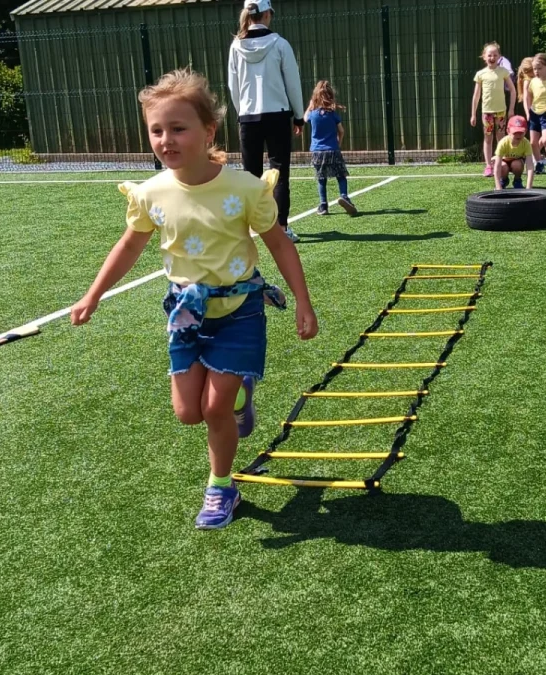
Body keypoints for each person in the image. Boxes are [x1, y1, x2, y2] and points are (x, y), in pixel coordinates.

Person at [70, 69, 318, 530]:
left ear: (209, 131)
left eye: (178, 128)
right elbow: (129, 245)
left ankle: (221, 487)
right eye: (156, 130)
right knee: (188, 413)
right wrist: (93, 295)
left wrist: (304, 303)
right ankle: (241, 400)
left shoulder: (244, 188)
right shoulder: (150, 194)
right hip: (186, 313)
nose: (166, 139)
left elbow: (279, 243)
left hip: (239, 311)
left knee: (213, 409)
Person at [228, 0, 306, 242]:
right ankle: (281, 229)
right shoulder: (280, 44)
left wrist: (242, 113)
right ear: (268, 14)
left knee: (250, 176)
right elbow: (293, 83)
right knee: (280, 174)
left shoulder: (235, 47)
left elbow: (233, 87)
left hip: (248, 118)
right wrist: (299, 116)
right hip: (278, 115)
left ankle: (252, 229)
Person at [304, 81, 357, 216]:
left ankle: (323, 205)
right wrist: (338, 144)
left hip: (317, 151)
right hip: (333, 149)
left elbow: (304, 118)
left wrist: (310, 107)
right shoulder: (332, 114)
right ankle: (344, 196)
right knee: (341, 175)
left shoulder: (313, 114)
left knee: (321, 178)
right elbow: (341, 131)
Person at [470, 42, 516, 178]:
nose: (492, 57)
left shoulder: (503, 72)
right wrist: (473, 114)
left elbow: (513, 91)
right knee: (488, 139)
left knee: (501, 138)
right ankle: (488, 166)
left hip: (501, 111)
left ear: (499, 56)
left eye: (495, 55)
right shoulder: (480, 74)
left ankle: (500, 163)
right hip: (487, 112)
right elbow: (476, 95)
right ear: (484, 56)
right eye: (489, 55)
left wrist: (511, 109)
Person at [492, 115, 532, 190]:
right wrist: (498, 187)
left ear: (525, 131)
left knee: (517, 164)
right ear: (508, 131)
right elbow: (497, 165)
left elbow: (530, 165)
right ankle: (503, 180)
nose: (518, 135)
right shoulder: (503, 143)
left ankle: (517, 180)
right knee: (502, 166)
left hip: (517, 162)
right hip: (504, 162)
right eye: (515, 132)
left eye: (521, 132)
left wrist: (529, 187)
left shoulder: (526, 143)